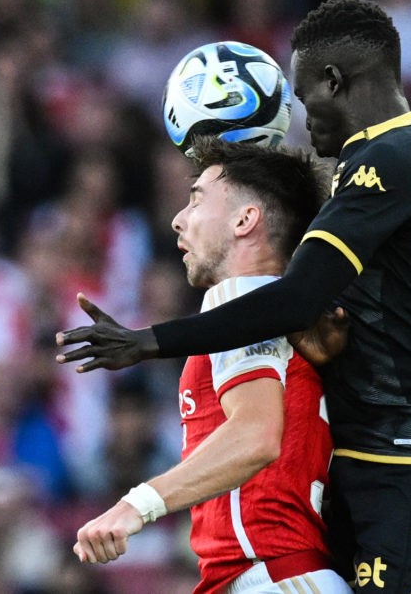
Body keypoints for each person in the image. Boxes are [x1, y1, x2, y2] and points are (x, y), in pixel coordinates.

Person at [58, 0, 411, 593]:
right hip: (384, 447)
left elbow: (294, 304)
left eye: (304, 97)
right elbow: (314, 292)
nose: (299, 116)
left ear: (335, 81)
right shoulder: (386, 161)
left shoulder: (393, 158)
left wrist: (149, 342)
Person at [72, 136, 351, 594]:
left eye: (197, 201)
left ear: (245, 220)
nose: (178, 220)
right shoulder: (292, 318)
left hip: (272, 574)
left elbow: (255, 437)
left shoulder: (240, 297)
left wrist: (134, 506)